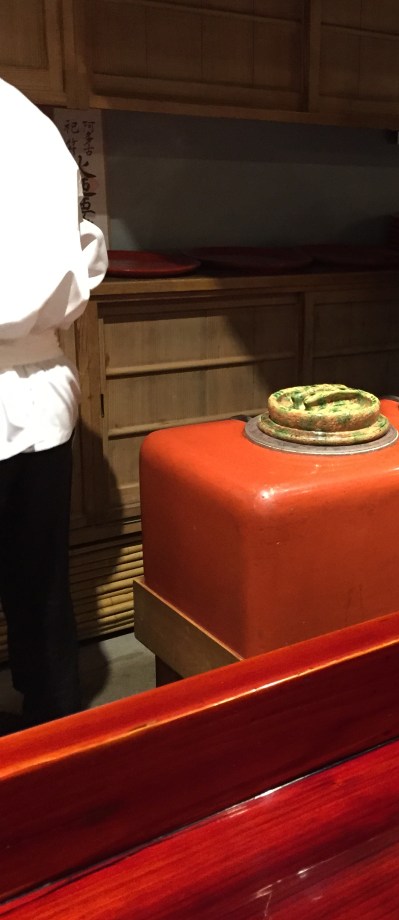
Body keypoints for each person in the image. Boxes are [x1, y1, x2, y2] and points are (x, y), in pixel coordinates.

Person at [0, 77, 107, 728]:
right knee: (40, 583)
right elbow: (85, 255)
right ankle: (56, 735)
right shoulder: (29, 121)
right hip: (40, 392)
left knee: (39, 581)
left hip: (34, 382)